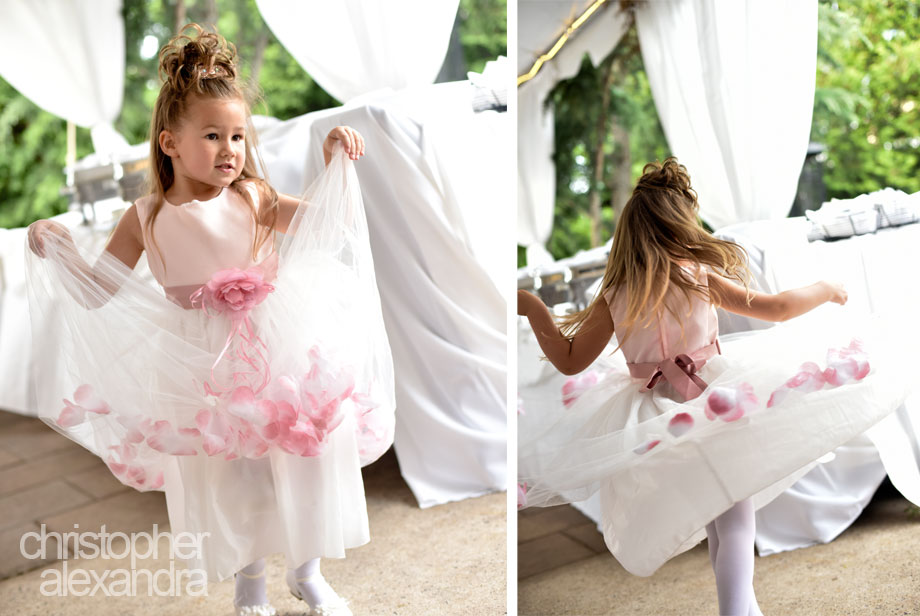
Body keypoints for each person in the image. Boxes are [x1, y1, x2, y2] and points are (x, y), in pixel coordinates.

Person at [26, 24, 394, 616]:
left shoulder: (254, 197)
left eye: (239, 136)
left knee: (301, 456)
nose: (230, 149)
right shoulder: (144, 217)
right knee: (230, 473)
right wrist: (60, 248)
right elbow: (97, 293)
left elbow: (327, 222)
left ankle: (307, 572)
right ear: (170, 142)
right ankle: (250, 582)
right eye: (214, 136)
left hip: (276, 344)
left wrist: (333, 162)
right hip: (200, 364)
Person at [517, 158, 908, 615]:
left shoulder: (614, 295)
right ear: (678, 224)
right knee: (736, 521)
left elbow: (568, 360)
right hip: (715, 403)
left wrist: (532, 307)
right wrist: (826, 288)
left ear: (630, 234)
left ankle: (743, 609)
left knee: (721, 521)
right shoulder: (696, 276)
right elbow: (778, 308)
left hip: (658, 421)